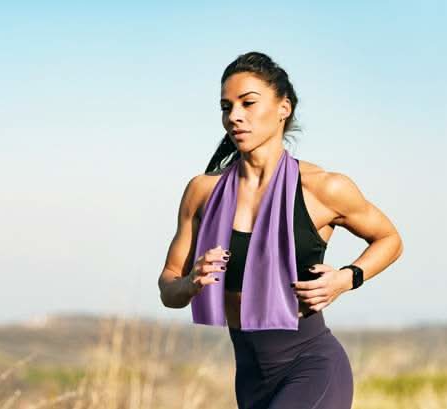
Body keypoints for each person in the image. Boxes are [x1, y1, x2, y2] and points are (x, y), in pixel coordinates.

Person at [158, 51, 404, 409]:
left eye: (248, 103)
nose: (235, 115)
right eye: (226, 107)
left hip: (312, 365)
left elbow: (390, 239)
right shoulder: (202, 192)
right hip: (251, 379)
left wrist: (345, 278)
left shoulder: (323, 188)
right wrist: (190, 282)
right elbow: (168, 288)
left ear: (283, 108)